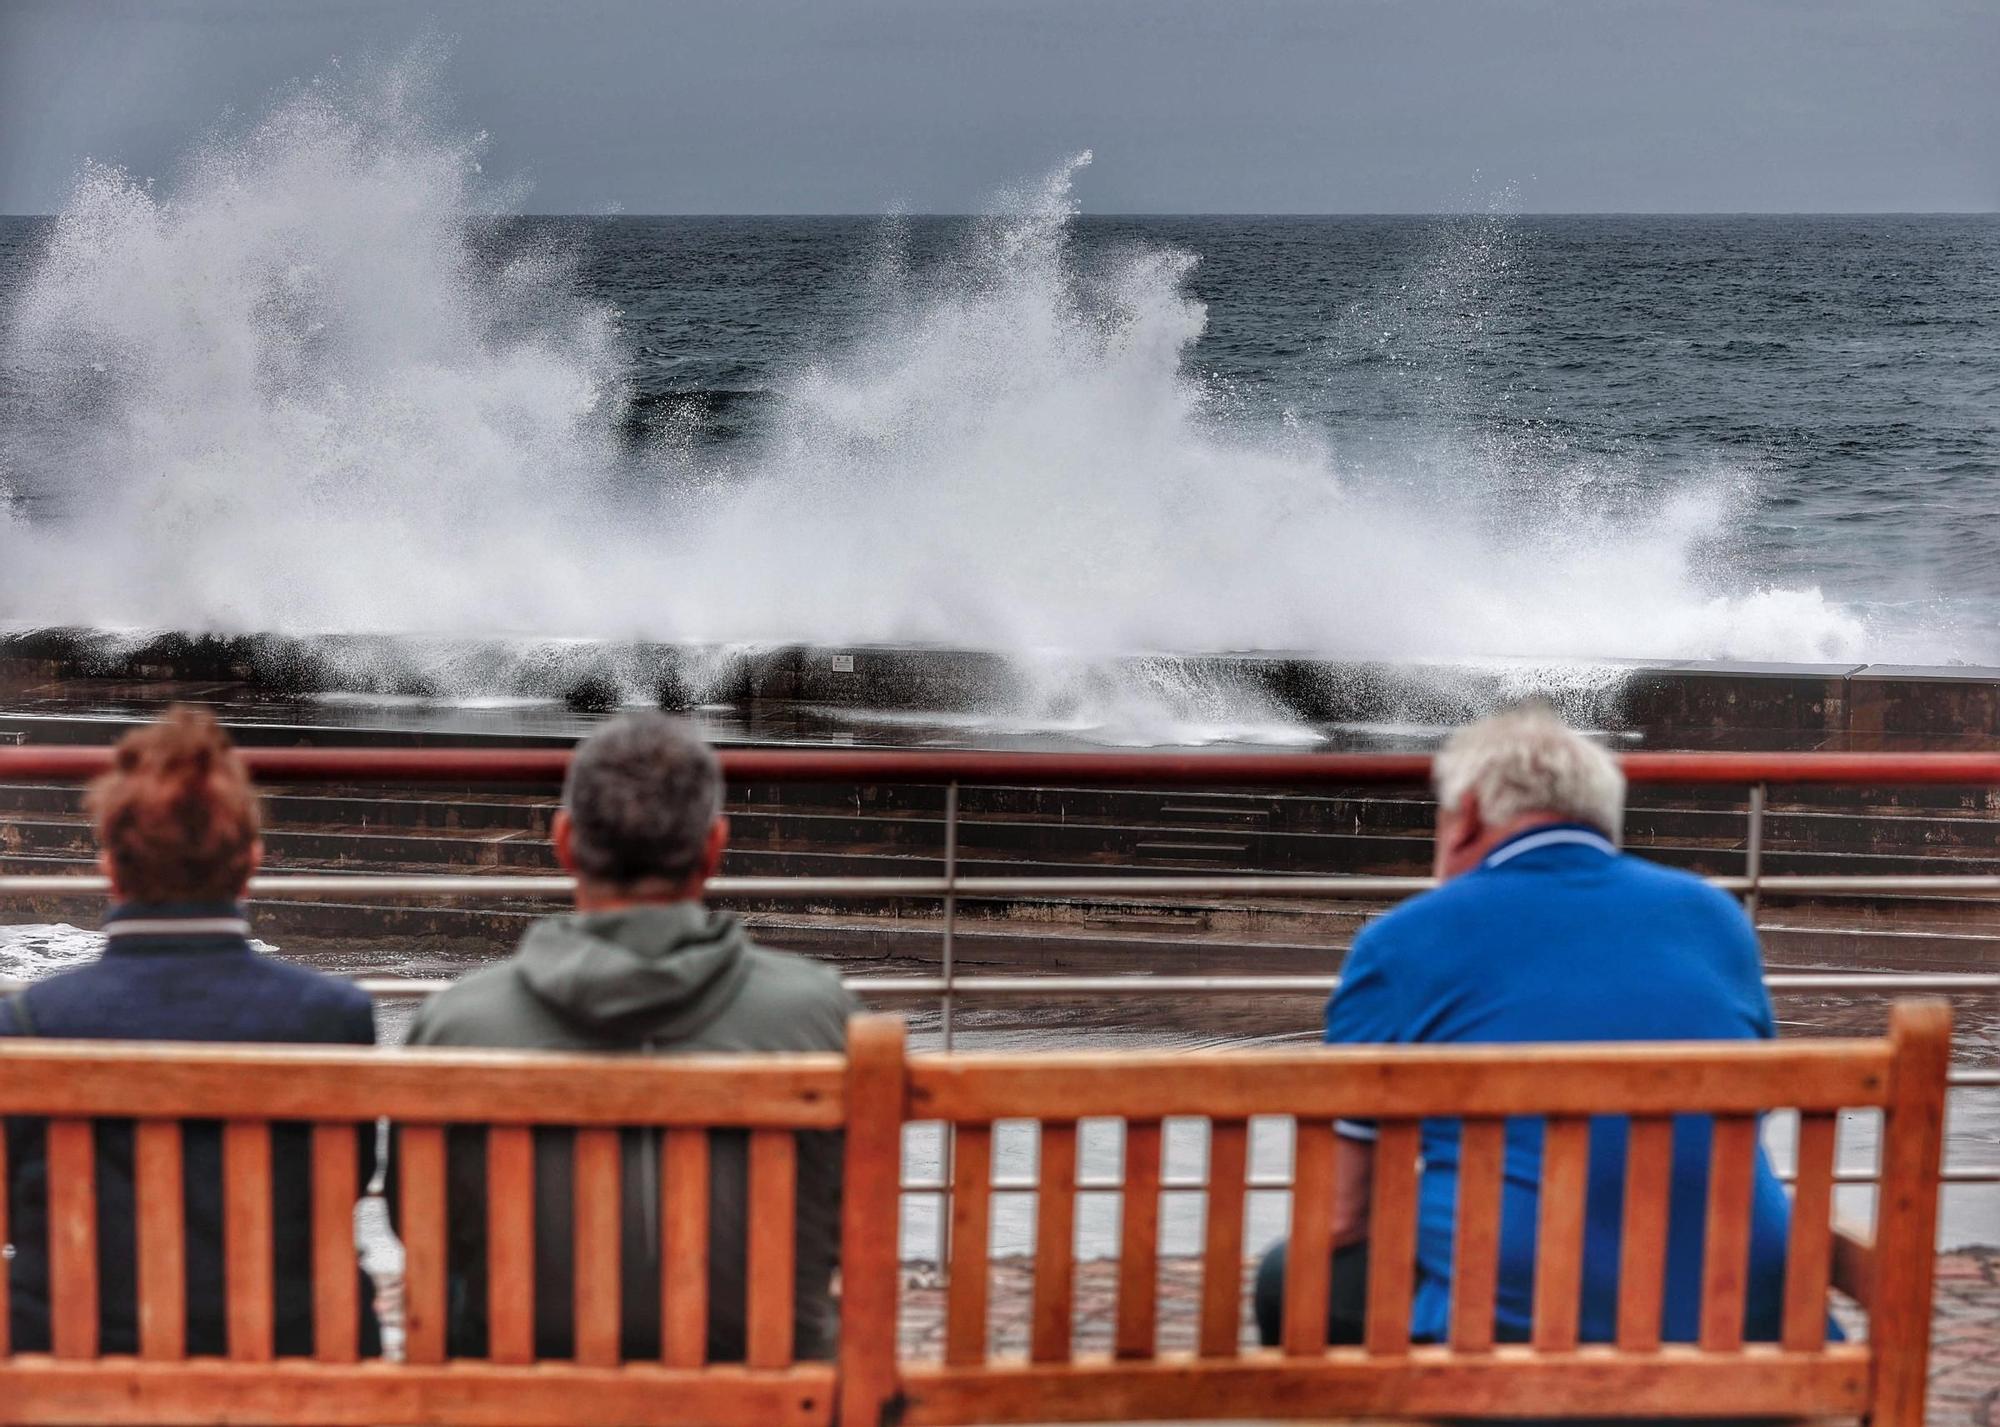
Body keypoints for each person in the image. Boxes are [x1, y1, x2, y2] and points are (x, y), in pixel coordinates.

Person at [1256, 703, 1797, 1347]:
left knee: (1287, 1277)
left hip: (1510, 1339)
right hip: (1742, 1325)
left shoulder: (1404, 941)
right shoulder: (1716, 918)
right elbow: (1745, 1112)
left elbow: (1342, 1213)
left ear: (1470, 819)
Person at [401, 711, 855, 1362]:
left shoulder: (456, 1026)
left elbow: (419, 1224)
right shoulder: (824, 1018)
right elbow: (851, 1219)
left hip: (520, 1401)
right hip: (770, 1401)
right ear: (713, 847)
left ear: (564, 842)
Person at [1, 707, 380, 1357]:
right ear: (250, 863)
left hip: (79, 1371)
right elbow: (346, 1183)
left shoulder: (29, 1024)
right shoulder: (333, 1017)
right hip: (289, 1368)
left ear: (111, 870)